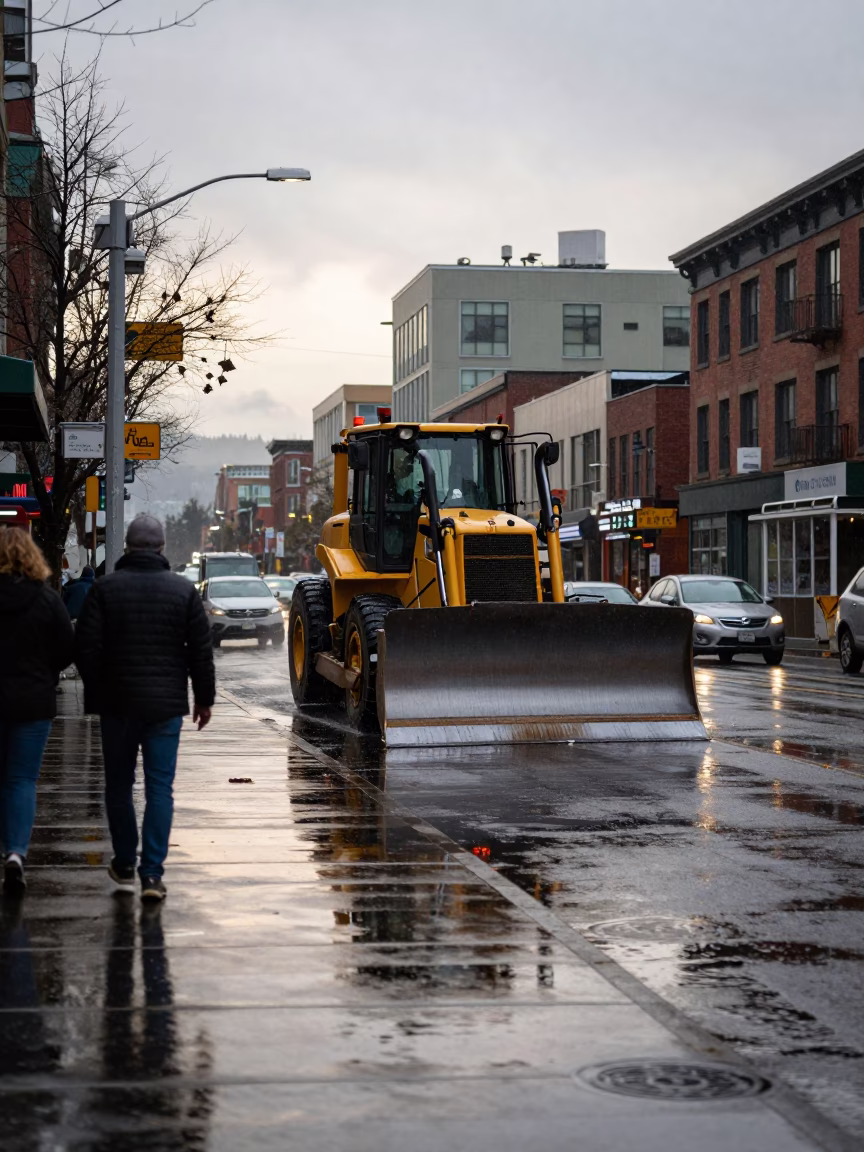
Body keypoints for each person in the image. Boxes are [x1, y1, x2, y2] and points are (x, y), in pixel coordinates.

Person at [75, 514, 215, 903]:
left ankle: (123, 860)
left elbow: (86, 648)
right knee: (160, 790)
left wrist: (98, 689)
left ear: (128, 548)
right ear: (161, 547)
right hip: (165, 707)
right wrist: (204, 700)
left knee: (119, 786)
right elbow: (200, 653)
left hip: (117, 705)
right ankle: (152, 873)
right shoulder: (183, 592)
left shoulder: (104, 590)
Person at [0, 528, 75, 895]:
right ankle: (16, 853)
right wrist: (44, 672)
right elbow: (65, 650)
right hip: (32, 702)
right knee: (22, 780)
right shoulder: (47, 601)